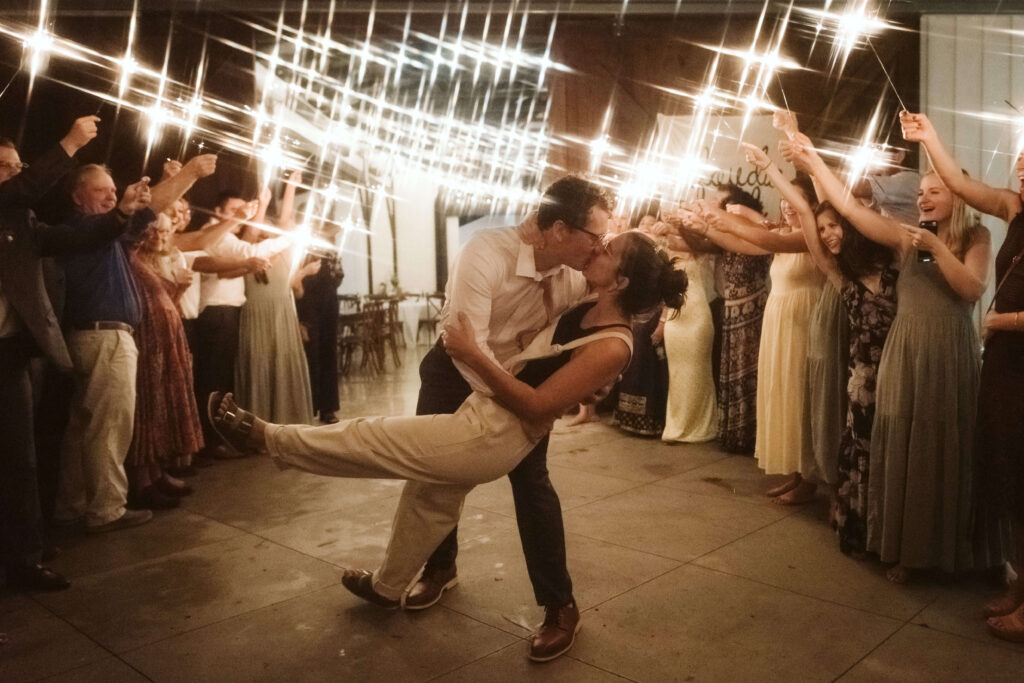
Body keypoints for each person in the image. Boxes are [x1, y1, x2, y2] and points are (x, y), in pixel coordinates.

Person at [207, 230, 686, 657]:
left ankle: (266, 438)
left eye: (608, 248)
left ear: (620, 280)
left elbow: (539, 407)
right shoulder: (582, 297)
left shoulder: (613, 341)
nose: (597, 245)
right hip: (479, 413)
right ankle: (388, 585)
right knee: (428, 497)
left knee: (373, 437)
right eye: (597, 237)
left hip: (493, 435)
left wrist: (474, 353)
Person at [792, 127, 1002, 584]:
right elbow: (848, 208)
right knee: (905, 448)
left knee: (945, 448)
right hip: (905, 352)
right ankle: (909, 550)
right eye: (922, 192)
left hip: (948, 352)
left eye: (935, 191)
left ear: (957, 195)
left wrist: (938, 248)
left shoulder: (973, 236)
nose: (924, 199)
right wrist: (813, 163)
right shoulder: (910, 238)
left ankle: (951, 552)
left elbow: (971, 289)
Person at [1, 116, 150, 589]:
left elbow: (73, 237)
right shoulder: (9, 202)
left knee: (21, 460)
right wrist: (68, 142)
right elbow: (20, 190)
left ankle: (25, 557)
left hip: (10, 353)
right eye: (4, 166)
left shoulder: (23, 221)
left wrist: (121, 215)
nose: (14, 172)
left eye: (15, 164)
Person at [901, 111, 1024, 639]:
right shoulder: (1015, 206)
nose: (1021, 164)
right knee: (1008, 475)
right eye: (1022, 155)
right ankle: (1020, 587)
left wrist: (1009, 320)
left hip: (1017, 349)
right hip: (1004, 363)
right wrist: (929, 138)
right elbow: (961, 184)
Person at [52, 154, 216, 533]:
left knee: (84, 428)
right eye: (100, 191)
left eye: (113, 190)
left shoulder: (101, 233)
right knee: (109, 428)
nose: (111, 198)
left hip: (97, 337)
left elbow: (146, 211)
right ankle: (106, 509)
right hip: (104, 338)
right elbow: (148, 208)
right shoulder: (86, 229)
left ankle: (71, 506)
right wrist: (190, 173)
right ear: (77, 198)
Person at [765, 140, 898, 556]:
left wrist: (812, 161)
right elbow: (805, 214)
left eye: (834, 226)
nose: (827, 234)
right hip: (861, 382)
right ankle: (865, 533)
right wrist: (770, 167)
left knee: (893, 454)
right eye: (823, 231)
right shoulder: (845, 278)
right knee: (862, 451)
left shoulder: (897, 265)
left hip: (898, 372)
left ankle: (895, 537)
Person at [669, 184, 771, 455]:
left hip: (752, 309)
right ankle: (734, 432)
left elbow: (718, 239)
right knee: (731, 371)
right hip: (730, 308)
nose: (715, 208)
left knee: (750, 372)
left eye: (721, 204)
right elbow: (702, 244)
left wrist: (702, 224)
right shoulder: (726, 233)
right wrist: (683, 225)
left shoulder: (755, 233)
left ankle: (751, 435)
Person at [194, 187, 290, 458]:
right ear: (218, 212)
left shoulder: (222, 235)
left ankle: (220, 439)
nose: (241, 217)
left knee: (222, 381)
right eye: (236, 212)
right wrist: (289, 239)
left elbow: (237, 266)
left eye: (243, 211)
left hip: (226, 311)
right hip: (216, 312)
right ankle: (210, 443)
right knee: (212, 382)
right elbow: (248, 251)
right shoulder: (216, 234)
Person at [125, 213, 204, 509]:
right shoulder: (132, 259)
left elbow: (169, 300)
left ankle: (158, 473)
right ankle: (143, 481)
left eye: (165, 232)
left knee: (161, 409)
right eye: (153, 231)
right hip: (147, 340)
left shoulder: (159, 260)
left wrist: (180, 286)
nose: (159, 237)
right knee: (149, 409)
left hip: (165, 338)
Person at [235, 171, 314, 426]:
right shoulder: (247, 250)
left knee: (283, 365)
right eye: (261, 229)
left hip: (281, 316)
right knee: (259, 366)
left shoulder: (283, 249)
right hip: (256, 315)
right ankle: (258, 427)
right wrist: (263, 203)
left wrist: (291, 187)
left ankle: (286, 422)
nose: (264, 233)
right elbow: (249, 235)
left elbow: (286, 219)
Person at [658, 221, 718, 443]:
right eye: (670, 233)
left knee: (696, 370)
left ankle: (701, 425)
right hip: (676, 318)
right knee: (677, 373)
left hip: (697, 318)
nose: (672, 237)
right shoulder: (664, 255)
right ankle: (676, 424)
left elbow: (701, 242)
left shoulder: (699, 252)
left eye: (677, 234)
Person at [295, 223, 344, 424]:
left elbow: (338, 277)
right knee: (310, 356)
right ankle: (308, 406)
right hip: (307, 305)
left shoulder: (332, 254)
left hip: (329, 305)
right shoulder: (302, 250)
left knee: (329, 355)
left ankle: (328, 408)